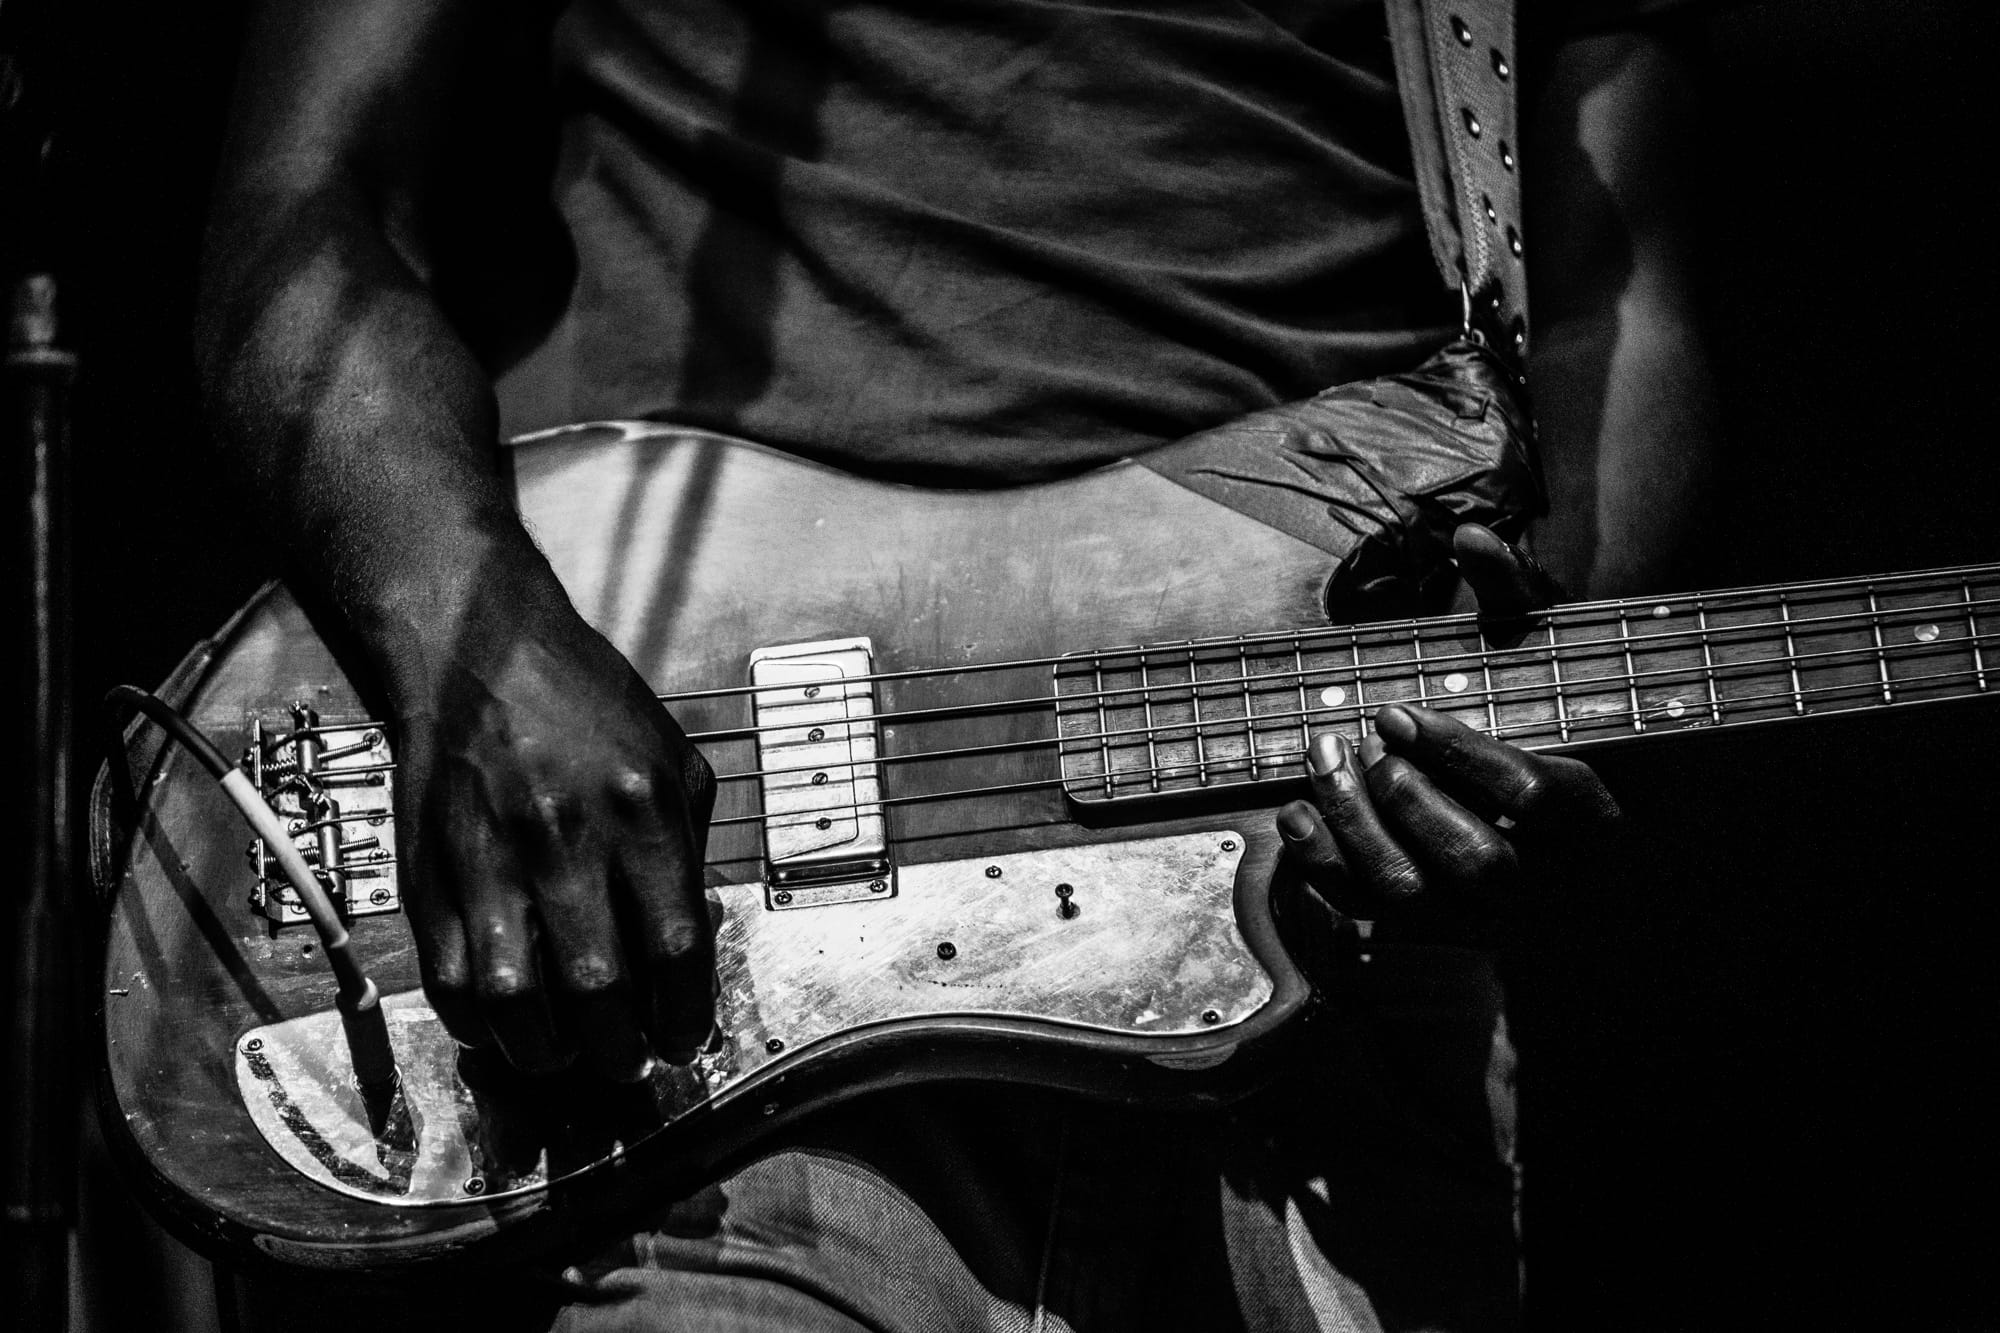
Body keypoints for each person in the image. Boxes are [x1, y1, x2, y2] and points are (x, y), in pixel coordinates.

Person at [194, 1, 1716, 1328]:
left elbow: (1617, 293)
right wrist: (480, 649)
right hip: (704, 938)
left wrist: (1525, 695)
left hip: (1333, 988)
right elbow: (306, 189)